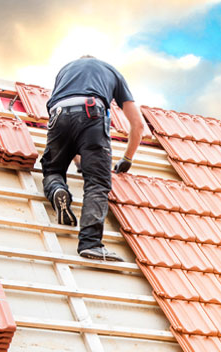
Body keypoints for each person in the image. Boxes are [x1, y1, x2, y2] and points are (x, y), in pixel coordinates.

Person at [41, 55, 145, 261]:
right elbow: (138, 124)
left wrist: (79, 162)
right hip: (91, 112)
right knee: (97, 182)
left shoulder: (65, 70)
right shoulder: (112, 72)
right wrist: (128, 157)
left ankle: (57, 189)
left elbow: (70, 131)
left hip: (57, 115)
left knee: (53, 169)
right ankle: (90, 243)